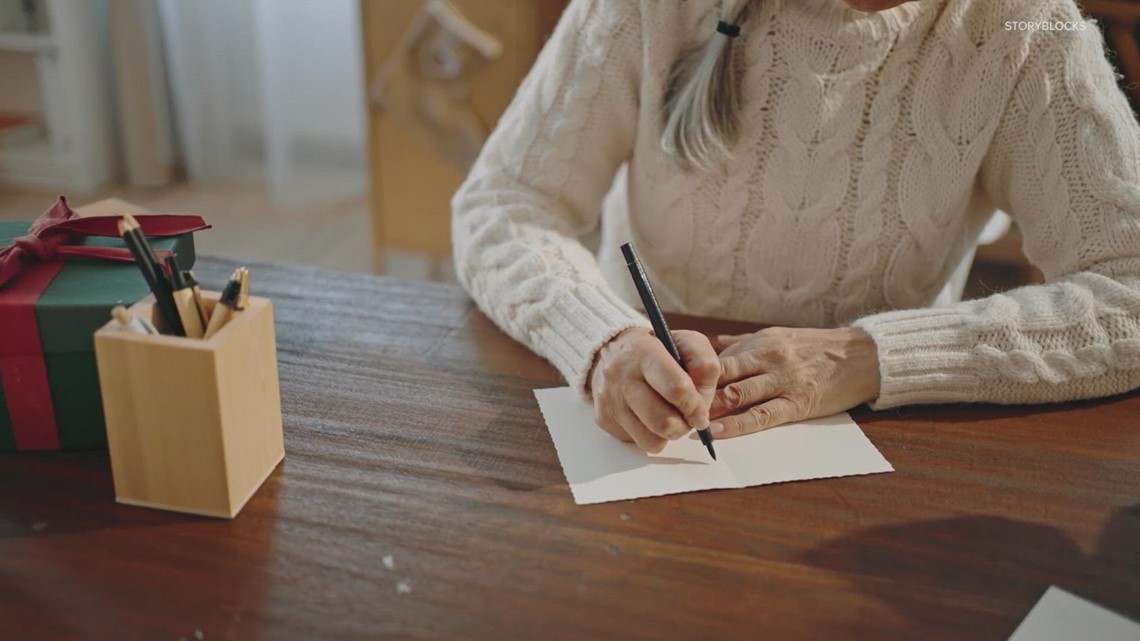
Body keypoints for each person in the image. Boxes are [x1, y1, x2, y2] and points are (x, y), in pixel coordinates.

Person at [451, 0, 1140, 453]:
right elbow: (503, 204)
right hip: (651, 428)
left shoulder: (1027, 27)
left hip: (889, 441)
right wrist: (603, 340)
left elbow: (1129, 290)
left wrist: (869, 356)